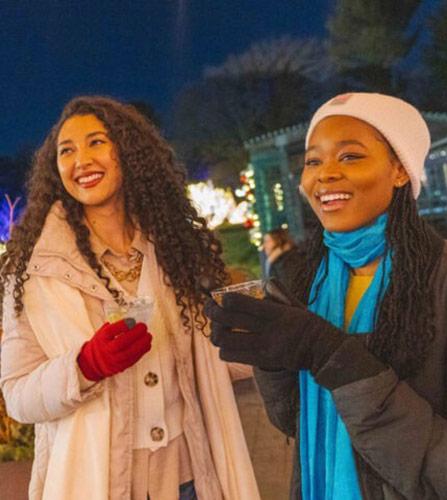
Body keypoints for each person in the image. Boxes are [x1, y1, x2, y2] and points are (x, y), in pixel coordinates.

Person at [205, 92, 447, 499]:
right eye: (312, 161)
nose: (323, 175)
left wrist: (332, 356)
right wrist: (270, 358)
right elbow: (296, 422)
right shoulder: (304, 279)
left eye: (350, 157)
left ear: (400, 170)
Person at [0, 96, 259, 500]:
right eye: (66, 151)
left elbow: (207, 360)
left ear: (129, 151)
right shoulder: (35, 271)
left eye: (96, 142)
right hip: (96, 482)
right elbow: (17, 396)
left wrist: (262, 335)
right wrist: (84, 366)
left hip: (189, 479)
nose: (80, 160)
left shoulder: (174, 248)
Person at [262, 228, 304, 293]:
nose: (264, 246)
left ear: (278, 240)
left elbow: (288, 290)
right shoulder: (277, 260)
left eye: (267, 241)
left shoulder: (288, 260)